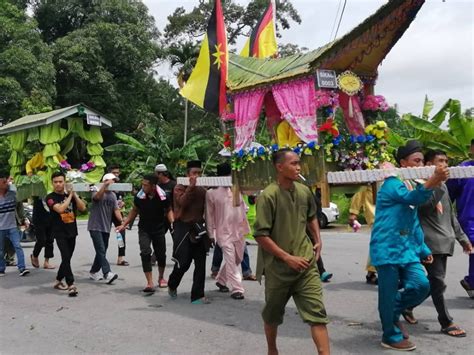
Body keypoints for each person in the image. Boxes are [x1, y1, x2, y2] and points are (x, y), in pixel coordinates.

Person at [370, 140, 449, 351]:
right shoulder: (392, 183)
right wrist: (433, 180)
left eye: (422, 161)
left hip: (407, 250)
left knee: (422, 285)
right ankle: (390, 335)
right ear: (403, 163)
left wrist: (423, 248)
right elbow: (412, 198)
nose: (420, 164)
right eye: (416, 161)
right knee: (387, 292)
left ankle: (390, 313)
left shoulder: (414, 182)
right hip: (386, 249)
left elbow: (413, 222)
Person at [253, 149, 330, 355]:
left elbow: (312, 215)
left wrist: (318, 239)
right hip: (278, 269)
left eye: (299, 163)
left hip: (306, 265)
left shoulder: (304, 191)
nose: (298, 167)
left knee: (317, 314)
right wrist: (287, 258)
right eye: (294, 163)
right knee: (272, 315)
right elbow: (260, 235)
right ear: (279, 167)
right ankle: (272, 350)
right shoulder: (268, 196)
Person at [404, 150, 471, 337]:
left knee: (434, 283)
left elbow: (450, 215)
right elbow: (424, 208)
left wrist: (463, 239)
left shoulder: (443, 186)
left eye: (446, 161)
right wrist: (436, 182)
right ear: (429, 165)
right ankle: (446, 321)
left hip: (445, 241)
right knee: (438, 282)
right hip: (430, 242)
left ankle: (405, 305)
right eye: (439, 161)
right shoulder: (421, 186)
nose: (444, 165)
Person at [117, 174, 172, 292]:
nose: (143, 187)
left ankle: (161, 278)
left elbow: (168, 210)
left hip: (159, 228)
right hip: (144, 229)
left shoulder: (163, 196)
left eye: (145, 185)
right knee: (145, 252)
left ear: (153, 186)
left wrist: (173, 223)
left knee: (161, 254)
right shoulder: (139, 196)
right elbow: (134, 211)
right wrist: (124, 224)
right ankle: (149, 282)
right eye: (142, 184)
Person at [168, 160, 210, 304]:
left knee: (200, 263)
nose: (197, 176)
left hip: (198, 227)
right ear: (187, 174)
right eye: (194, 173)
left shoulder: (203, 189)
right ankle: (172, 284)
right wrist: (191, 187)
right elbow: (182, 203)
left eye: (199, 173)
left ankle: (197, 296)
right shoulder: (179, 188)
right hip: (183, 227)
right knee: (183, 263)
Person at [206, 162, 250, 300]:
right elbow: (209, 214)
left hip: (239, 229)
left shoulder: (236, 189)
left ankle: (221, 280)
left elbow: (245, 206)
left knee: (238, 258)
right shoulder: (211, 193)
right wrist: (210, 233)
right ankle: (237, 289)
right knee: (230, 259)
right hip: (223, 232)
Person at [46, 171, 86, 296]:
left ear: (64, 182)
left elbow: (83, 208)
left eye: (60, 182)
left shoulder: (70, 195)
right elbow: (60, 209)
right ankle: (71, 284)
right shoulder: (50, 198)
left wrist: (74, 195)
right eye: (55, 182)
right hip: (59, 232)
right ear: (52, 183)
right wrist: (70, 196)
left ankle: (58, 280)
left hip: (72, 230)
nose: (58, 184)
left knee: (67, 258)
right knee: (65, 256)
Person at [447, 138, 474, 298]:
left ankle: (471, 281)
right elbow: (448, 195)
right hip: (469, 219)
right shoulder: (461, 170)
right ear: (471, 149)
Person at [87, 173, 122, 284]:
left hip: (106, 227)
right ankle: (107, 273)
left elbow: (116, 210)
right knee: (101, 249)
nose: (114, 183)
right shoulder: (96, 189)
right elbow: (96, 198)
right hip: (95, 226)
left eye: (114, 181)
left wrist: (123, 222)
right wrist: (104, 186)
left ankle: (93, 271)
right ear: (106, 181)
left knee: (101, 250)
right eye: (112, 180)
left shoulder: (112, 195)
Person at [0, 170, 30, 277]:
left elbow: (20, 207)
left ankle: (22, 268)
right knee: (1, 250)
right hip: (1, 228)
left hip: (13, 226)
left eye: (6, 182)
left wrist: (23, 219)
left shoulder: (13, 194)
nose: (7, 184)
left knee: (18, 246)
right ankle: (1, 269)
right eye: (4, 183)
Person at [348, 185, 377, 284]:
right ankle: (372, 272)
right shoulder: (366, 182)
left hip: (390, 216)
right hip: (376, 217)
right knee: (378, 244)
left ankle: (371, 272)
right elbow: (358, 193)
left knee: (380, 244)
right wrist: (353, 213)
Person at [108, 165, 129, 266]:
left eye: (117, 173)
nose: (116, 175)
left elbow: (121, 199)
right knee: (104, 235)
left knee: (121, 234)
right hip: (107, 213)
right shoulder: (105, 185)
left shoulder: (120, 186)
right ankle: (100, 257)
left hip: (118, 213)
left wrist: (123, 203)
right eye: (114, 173)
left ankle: (120, 258)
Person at [30, 196, 55, 269]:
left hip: (51, 217)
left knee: (50, 240)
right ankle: (34, 255)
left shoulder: (51, 192)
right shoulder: (37, 191)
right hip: (39, 219)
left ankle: (46, 262)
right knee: (41, 240)